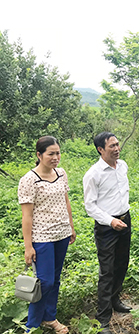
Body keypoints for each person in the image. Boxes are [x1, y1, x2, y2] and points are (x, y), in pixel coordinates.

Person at [18, 136, 76, 333]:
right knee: (44, 282)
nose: (55, 157)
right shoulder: (29, 180)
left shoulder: (61, 173)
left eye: (58, 153)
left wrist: (71, 227)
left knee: (56, 278)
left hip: (61, 233)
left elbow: (66, 201)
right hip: (41, 237)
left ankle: (50, 318)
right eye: (51, 153)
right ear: (39, 155)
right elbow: (26, 216)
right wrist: (28, 246)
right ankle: (32, 325)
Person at [83, 132, 131, 332]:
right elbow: (90, 206)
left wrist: (121, 218)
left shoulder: (123, 166)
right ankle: (103, 318)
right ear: (100, 149)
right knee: (107, 271)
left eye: (117, 144)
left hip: (125, 220)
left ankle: (115, 301)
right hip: (106, 227)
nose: (117, 148)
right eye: (112, 146)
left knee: (122, 264)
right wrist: (110, 221)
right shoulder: (93, 174)